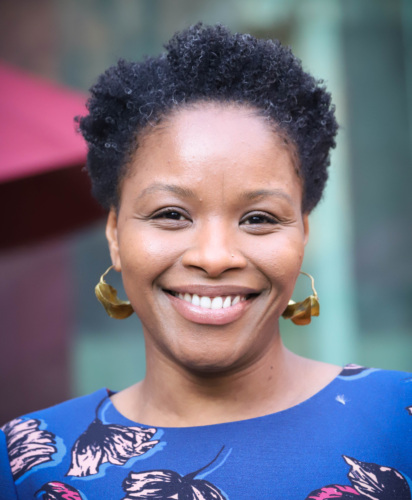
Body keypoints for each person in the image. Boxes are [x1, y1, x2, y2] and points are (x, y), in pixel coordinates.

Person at [1, 24, 411, 500]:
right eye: (171, 214)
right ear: (115, 234)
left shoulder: (399, 419)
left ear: (303, 234)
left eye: (258, 218)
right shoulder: (27, 463)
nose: (214, 257)